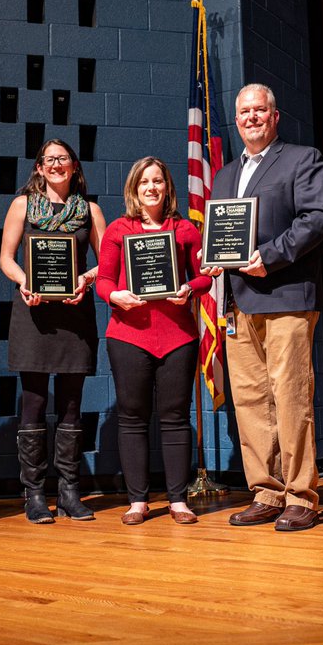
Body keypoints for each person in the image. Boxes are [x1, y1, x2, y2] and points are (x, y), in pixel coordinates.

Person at [202, 83, 323, 532]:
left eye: (260, 110)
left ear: (275, 117)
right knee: (251, 401)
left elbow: (318, 217)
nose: (252, 118)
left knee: (291, 396)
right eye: (244, 112)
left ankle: (300, 496)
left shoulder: (301, 158)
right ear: (236, 120)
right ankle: (266, 492)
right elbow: (224, 232)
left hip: (286, 296)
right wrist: (213, 257)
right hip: (238, 302)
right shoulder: (224, 175)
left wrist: (271, 256)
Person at [96, 157, 212, 525]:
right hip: (128, 336)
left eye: (158, 181)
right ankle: (137, 501)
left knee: (175, 418)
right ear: (133, 188)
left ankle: (178, 500)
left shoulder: (185, 229)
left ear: (167, 187)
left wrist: (189, 289)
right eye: (144, 182)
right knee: (132, 418)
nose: (151, 187)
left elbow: (204, 277)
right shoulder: (118, 230)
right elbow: (103, 281)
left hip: (178, 337)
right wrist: (116, 296)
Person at [0, 139, 105, 524]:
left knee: (72, 404)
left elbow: (107, 262)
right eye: (50, 159)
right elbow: (6, 259)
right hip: (34, 314)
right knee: (34, 402)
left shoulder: (90, 210)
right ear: (39, 168)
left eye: (63, 159)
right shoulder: (22, 205)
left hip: (75, 315)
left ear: (74, 166)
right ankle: (34, 494)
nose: (57, 165)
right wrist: (24, 280)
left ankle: (69, 491)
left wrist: (86, 279)